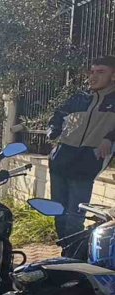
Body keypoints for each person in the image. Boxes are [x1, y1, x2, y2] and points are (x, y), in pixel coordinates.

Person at [48, 55, 115, 242]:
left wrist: (110, 138)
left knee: (74, 217)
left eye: (101, 72)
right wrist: (53, 133)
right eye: (92, 72)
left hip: (85, 165)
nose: (93, 76)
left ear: (113, 75)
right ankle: (66, 251)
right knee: (58, 213)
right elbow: (58, 116)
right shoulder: (80, 98)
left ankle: (72, 255)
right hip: (60, 161)